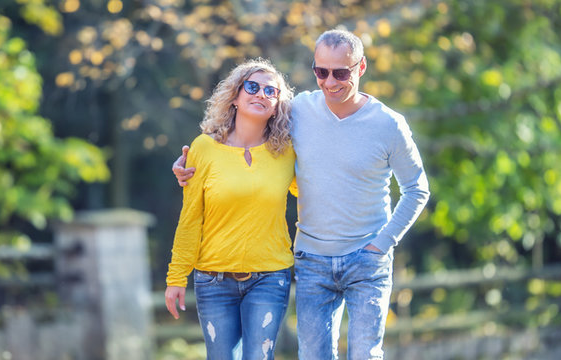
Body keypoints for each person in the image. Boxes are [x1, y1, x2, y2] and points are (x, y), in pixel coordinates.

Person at [173, 29, 430, 359]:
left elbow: (416, 188)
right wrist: (188, 165)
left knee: (365, 354)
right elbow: (243, 135)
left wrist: (382, 243)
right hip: (312, 259)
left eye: (341, 72)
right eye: (320, 71)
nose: (330, 81)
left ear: (361, 68)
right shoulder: (298, 111)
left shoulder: (389, 124)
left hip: (367, 258)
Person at [164, 58, 296, 360]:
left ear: (277, 105)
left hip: (270, 275)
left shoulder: (287, 152)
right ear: (235, 97)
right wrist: (176, 277)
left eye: (271, 91)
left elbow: (312, 193)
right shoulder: (203, 148)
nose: (261, 94)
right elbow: (190, 219)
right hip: (213, 279)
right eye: (252, 87)